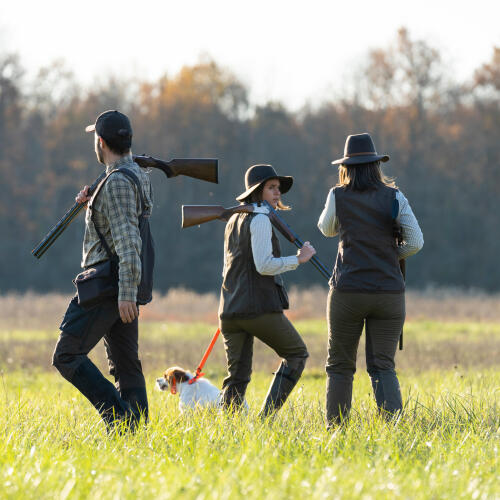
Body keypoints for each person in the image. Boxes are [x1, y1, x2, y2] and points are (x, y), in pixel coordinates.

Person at [52, 110, 154, 429]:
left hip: (108, 284)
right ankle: (135, 433)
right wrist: (93, 204)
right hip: (121, 280)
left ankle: (120, 417)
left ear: (100, 142)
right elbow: (119, 227)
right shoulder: (132, 174)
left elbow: (127, 241)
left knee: (66, 355)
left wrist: (126, 293)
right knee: (125, 363)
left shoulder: (117, 182)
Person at [318, 133, 423, 426]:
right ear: (376, 165)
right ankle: (394, 427)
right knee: (383, 367)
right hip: (389, 292)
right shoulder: (395, 196)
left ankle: (336, 430)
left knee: (339, 366)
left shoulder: (337, 194)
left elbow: (326, 229)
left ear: (347, 167)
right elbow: (416, 242)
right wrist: (392, 254)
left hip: (348, 291)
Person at [218, 164, 315, 417]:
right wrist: (298, 259)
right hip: (257, 308)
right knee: (296, 354)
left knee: (237, 377)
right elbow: (264, 266)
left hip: (229, 310)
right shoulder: (260, 219)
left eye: (278, 189)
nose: (277, 193)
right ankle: (265, 419)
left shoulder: (233, 220)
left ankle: (227, 433)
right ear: (258, 191)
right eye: (271, 188)